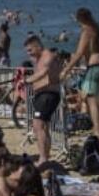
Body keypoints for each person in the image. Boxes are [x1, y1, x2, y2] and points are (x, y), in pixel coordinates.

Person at [66, 7, 99, 137]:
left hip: (95, 68)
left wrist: (66, 70)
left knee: (91, 100)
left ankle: (97, 130)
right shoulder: (97, 29)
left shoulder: (87, 31)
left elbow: (79, 53)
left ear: (79, 19)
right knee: (86, 97)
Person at [23, 34, 62, 166]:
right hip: (42, 95)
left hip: (48, 95)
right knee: (43, 127)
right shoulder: (39, 58)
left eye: (30, 50)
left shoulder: (47, 56)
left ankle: (43, 158)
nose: (29, 54)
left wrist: (27, 80)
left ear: (37, 46)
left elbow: (44, 73)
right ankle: (45, 157)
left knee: (38, 125)